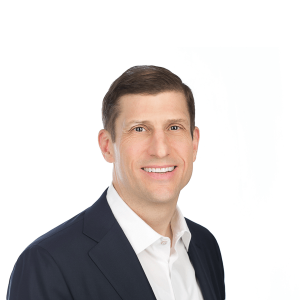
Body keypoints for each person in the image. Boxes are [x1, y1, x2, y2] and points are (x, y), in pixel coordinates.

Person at [6, 65, 225, 300]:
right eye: (139, 129)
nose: (160, 149)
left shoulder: (205, 246)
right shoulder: (48, 264)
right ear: (107, 146)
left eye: (174, 127)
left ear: (194, 143)